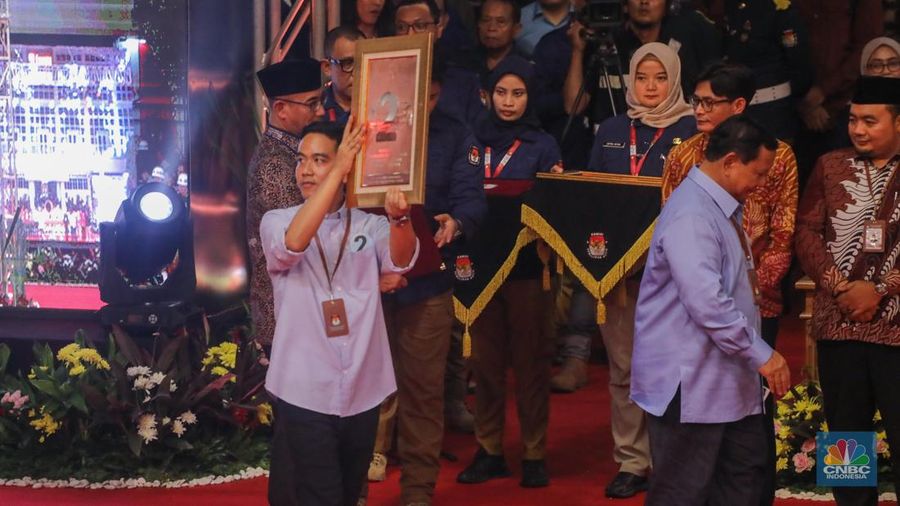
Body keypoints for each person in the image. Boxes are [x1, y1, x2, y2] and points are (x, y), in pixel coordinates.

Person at [553, 42, 696, 498]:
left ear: (675, 80)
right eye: (642, 77)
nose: (651, 87)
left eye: (660, 78)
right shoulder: (613, 129)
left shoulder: (693, 130)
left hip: (675, 273)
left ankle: (674, 458)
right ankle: (632, 460)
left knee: (675, 367)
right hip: (618, 273)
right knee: (624, 368)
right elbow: (596, 193)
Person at [632, 115, 791, 505]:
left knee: (744, 485)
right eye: (759, 173)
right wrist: (762, 355)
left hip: (727, 379)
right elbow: (707, 303)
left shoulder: (719, 205)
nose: (762, 184)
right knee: (682, 493)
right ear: (731, 161)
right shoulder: (692, 214)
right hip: (690, 385)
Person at [262, 119, 417, 506]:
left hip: (363, 386)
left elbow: (401, 260)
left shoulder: (368, 224)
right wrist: (339, 168)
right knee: (320, 495)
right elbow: (294, 243)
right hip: (304, 388)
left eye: (319, 160)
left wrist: (400, 219)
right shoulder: (278, 221)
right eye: (301, 160)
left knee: (348, 493)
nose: (306, 170)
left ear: (348, 170)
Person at [364, 59, 487, 506]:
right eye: (416, 97)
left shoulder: (455, 134)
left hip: (428, 281)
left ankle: (417, 491)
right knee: (362, 389)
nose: (423, 105)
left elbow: (471, 197)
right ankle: (356, 482)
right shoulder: (364, 130)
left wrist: (457, 221)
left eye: (431, 97)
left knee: (421, 392)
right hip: (366, 282)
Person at [794, 75, 900, 505]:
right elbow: (806, 231)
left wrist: (880, 289)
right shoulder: (829, 165)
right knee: (846, 444)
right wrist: (839, 287)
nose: (858, 129)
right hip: (839, 327)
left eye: (870, 121)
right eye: (853, 119)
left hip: (896, 330)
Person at [455, 55, 560, 489]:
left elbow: (555, 206)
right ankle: (490, 450)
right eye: (501, 92)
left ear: (530, 97)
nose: (509, 101)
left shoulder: (543, 144)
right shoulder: (470, 139)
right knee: (485, 364)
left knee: (532, 363)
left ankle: (534, 452)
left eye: (518, 93)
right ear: (487, 94)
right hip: (478, 267)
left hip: (527, 268)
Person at [246, 58, 324, 345]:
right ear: (280, 109)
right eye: (312, 104)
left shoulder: (292, 153)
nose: (320, 111)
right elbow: (298, 241)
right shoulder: (275, 165)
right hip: (286, 316)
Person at [562, 0, 721, 129]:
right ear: (625, 4)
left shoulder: (684, 45)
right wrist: (578, 50)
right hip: (612, 145)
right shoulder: (604, 44)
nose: (644, 2)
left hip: (670, 142)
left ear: (667, 5)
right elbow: (573, 107)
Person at [793, 0, 884, 185]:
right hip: (795, 108)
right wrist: (806, 98)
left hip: (844, 107)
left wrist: (823, 91)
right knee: (800, 189)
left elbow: (868, 46)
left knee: (843, 188)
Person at [704, 0, 812, 142]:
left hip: (774, 114)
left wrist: (796, 101)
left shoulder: (777, 7)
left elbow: (799, 63)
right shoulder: (729, 6)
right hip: (738, 114)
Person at [394, 0, 483, 127]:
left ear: (438, 28)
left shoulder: (464, 82)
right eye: (401, 27)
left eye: (420, 26)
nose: (410, 35)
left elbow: (480, 132)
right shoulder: (383, 79)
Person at [322, 26, 365, 126]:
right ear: (328, 67)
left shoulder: (382, 107)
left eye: (362, 61)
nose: (357, 73)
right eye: (348, 63)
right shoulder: (318, 112)